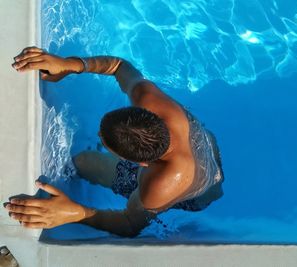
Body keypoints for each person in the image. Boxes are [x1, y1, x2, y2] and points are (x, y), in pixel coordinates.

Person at [4, 46, 224, 237]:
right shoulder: (146, 95)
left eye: (105, 141)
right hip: (206, 148)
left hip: (196, 194)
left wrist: (74, 213)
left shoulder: (160, 185)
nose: (100, 136)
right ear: (143, 112)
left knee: (83, 162)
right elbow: (118, 66)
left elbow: (129, 224)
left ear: (140, 164)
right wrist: (69, 64)